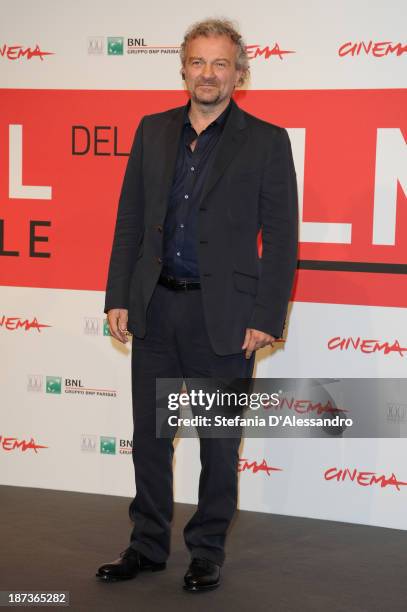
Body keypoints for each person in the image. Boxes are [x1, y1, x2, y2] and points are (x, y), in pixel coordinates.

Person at [96, 18, 298, 592]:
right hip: (156, 309)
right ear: (182, 67)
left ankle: (206, 551)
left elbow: (282, 237)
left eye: (220, 64)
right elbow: (129, 220)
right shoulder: (152, 130)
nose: (208, 74)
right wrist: (118, 295)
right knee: (151, 438)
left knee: (217, 443)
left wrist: (265, 314)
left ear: (240, 73)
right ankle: (147, 545)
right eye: (198, 62)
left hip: (225, 318)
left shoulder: (265, 141)